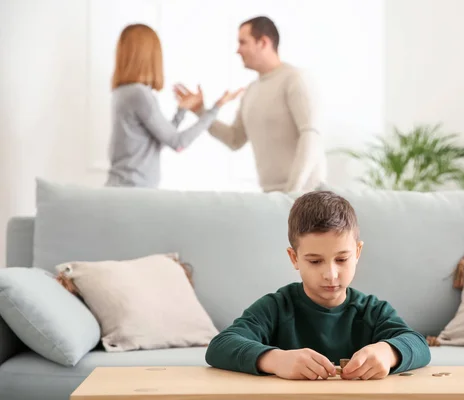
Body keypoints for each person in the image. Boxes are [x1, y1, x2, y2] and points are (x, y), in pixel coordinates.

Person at [204, 190, 431, 380]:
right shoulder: (275, 307)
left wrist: (388, 352)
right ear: (294, 258)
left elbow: (418, 345)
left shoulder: (373, 311)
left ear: (358, 252)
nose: (330, 274)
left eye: (341, 259)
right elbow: (220, 346)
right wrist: (274, 360)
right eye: (315, 261)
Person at [175, 16, 327, 193]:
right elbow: (234, 139)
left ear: (263, 42)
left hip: (307, 195)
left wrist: (294, 192)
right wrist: (201, 112)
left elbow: (311, 135)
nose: (238, 50)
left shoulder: (295, 79)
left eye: (243, 42)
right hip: (273, 196)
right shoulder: (251, 91)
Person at [106, 23, 241, 188]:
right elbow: (178, 143)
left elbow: (160, 139)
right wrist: (216, 108)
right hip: (133, 192)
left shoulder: (123, 92)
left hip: (124, 189)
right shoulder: (139, 94)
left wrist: (181, 111)